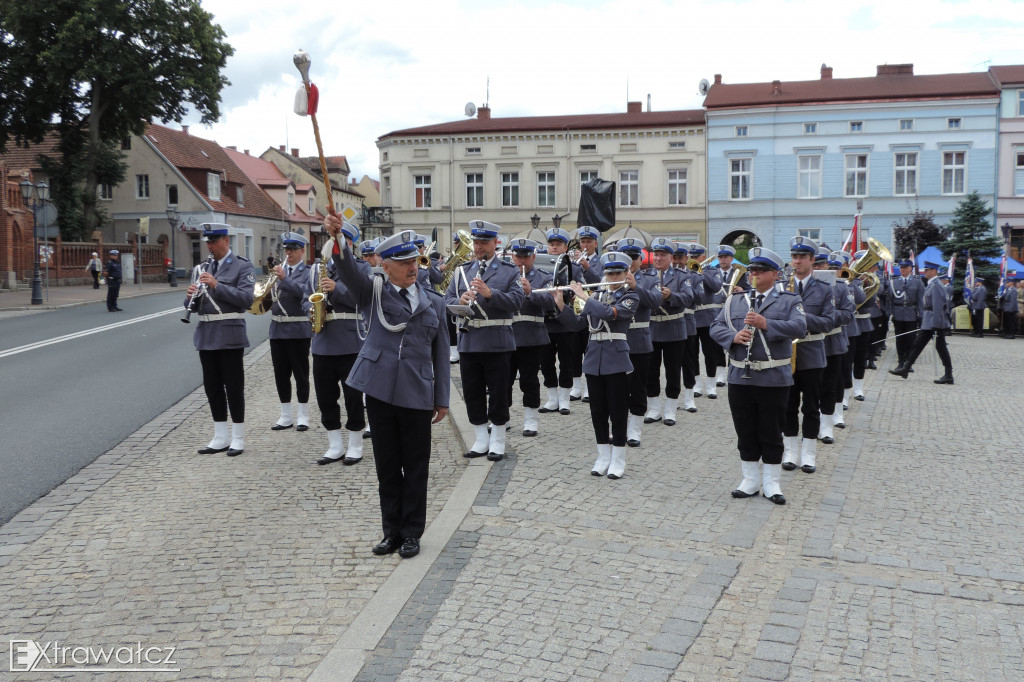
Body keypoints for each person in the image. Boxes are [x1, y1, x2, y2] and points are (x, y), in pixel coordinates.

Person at [324, 218, 450, 560]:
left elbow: (440, 354)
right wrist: (337, 236)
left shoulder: (434, 301)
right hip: (379, 390)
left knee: (416, 466)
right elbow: (347, 268)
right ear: (386, 266)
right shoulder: (371, 292)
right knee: (387, 467)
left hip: (417, 392)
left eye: (415, 260)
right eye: (405, 262)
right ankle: (390, 532)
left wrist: (442, 400)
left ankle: (412, 533)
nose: (413, 267)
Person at [710, 248, 806, 505]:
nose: (753, 274)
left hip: (773, 377)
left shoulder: (789, 300)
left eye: (760, 271)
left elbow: (800, 327)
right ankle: (750, 480)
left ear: (774, 274)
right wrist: (732, 337)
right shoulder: (736, 300)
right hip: (740, 376)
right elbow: (716, 326)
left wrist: (767, 324)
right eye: (751, 270)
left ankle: (772, 483)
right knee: (745, 430)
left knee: (771, 431)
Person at [552, 252, 638, 479]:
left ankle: (618, 459)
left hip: (617, 359)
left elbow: (610, 314)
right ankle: (603, 456)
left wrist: (583, 296)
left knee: (618, 412)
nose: (612, 277)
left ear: (626, 274)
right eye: (609, 273)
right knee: (597, 412)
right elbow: (578, 324)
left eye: (617, 273)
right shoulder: (597, 296)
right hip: (593, 360)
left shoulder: (630, 296)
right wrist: (561, 306)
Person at [444, 220, 525, 461]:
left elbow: (517, 302)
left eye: (483, 243)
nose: (478, 247)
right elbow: (446, 301)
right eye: (476, 242)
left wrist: (490, 294)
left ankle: (498, 440)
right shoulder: (462, 271)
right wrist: (460, 300)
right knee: (472, 392)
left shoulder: (509, 271)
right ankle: (480, 439)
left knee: (499, 392)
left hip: (497, 341)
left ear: (495, 243)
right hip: (469, 341)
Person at [187, 224, 256, 457]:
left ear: (226, 240)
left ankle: (237, 437)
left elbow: (246, 299)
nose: (210, 246)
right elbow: (194, 306)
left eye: (214, 241)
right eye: (208, 241)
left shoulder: (242, 265)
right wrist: (189, 298)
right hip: (206, 334)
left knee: (233, 387)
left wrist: (217, 285)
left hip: (229, 334)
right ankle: (220, 435)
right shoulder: (200, 268)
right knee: (213, 388)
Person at [312, 221, 371, 465]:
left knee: (353, 396)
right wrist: (313, 311)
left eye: (340, 239)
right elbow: (309, 298)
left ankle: (355, 444)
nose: (333, 243)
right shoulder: (318, 269)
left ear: (350, 244)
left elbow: (364, 298)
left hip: (350, 340)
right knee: (325, 396)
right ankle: (335, 444)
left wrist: (336, 289)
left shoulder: (362, 267)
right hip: (323, 341)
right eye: (331, 238)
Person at [780, 236, 835, 474]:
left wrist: (801, 319)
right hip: (785, 355)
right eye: (794, 256)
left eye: (802, 257)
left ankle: (809, 454)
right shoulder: (781, 287)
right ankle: (790, 451)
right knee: (788, 407)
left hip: (812, 353)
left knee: (811, 407)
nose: (797, 261)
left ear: (812, 260)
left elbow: (828, 322)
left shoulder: (823, 289)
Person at [507, 238, 560, 437]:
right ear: (512, 257)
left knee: (529, 380)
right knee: (504, 380)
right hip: (508, 335)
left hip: (532, 336)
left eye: (526, 257)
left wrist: (530, 292)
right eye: (518, 256)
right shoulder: (505, 275)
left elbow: (550, 302)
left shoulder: (543, 277)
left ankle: (530, 420)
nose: (521, 261)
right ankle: (503, 418)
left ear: (533, 257)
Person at [616, 237, 662, 448]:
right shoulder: (611, 277)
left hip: (639, 342)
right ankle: (619, 428)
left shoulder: (651, 278)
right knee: (617, 389)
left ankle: (634, 430)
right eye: (626, 257)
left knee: (638, 387)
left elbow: (655, 302)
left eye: (634, 257)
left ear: (639, 258)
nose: (631, 261)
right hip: (615, 342)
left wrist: (636, 287)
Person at [644, 237, 694, 425]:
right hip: (652, 329)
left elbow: (689, 298)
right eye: (656, 254)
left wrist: (671, 295)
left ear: (671, 257)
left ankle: (671, 409)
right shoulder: (646, 275)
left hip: (674, 329)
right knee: (651, 371)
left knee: (673, 371)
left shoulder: (682, 276)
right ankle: (654, 408)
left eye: (662, 255)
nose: (658, 258)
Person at [267, 233, 313, 433]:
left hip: (298, 330)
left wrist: (285, 280)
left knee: (300, 374)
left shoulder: (308, 272)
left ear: (302, 251)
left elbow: (305, 293)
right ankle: (285, 415)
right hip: (277, 329)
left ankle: (303, 415)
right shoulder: (278, 271)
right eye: (287, 250)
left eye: (293, 250)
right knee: (280, 375)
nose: (289, 253)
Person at [539, 226, 586, 412]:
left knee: (567, 360)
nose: (554, 247)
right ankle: (552, 398)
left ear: (566, 247)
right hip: (546, 321)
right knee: (546, 361)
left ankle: (565, 398)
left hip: (565, 321)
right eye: (551, 244)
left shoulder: (574, 266)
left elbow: (579, 290)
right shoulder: (541, 264)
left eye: (558, 244)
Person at [889, 261, 954, 384]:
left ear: (934, 271)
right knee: (917, 345)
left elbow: (938, 307)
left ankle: (949, 374)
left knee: (941, 348)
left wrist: (936, 325)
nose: (926, 272)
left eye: (928, 270)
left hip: (934, 323)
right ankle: (906, 368)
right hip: (929, 322)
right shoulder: (931, 285)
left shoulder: (936, 285)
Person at [817, 251, 855, 444]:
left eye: (823, 266)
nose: (821, 269)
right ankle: (814, 422)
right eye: (816, 265)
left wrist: (825, 316)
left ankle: (828, 423)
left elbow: (849, 313)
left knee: (832, 384)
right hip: (811, 342)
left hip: (833, 340)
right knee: (812, 387)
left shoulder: (840, 286)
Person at [709, 244, 748, 389]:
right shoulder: (713, 272)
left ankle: (733, 367)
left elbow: (749, 289)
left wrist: (742, 289)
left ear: (731, 258)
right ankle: (720, 371)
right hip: (716, 310)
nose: (723, 260)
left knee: (734, 339)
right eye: (720, 257)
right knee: (718, 342)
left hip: (733, 310)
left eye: (725, 257)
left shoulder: (740, 272)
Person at [889, 258, 925, 364]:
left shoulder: (917, 282)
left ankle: (908, 361)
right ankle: (901, 360)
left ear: (910, 269)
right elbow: (890, 299)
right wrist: (890, 313)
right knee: (900, 338)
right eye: (901, 267)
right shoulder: (894, 282)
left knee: (911, 339)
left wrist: (921, 315)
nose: (902, 270)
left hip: (911, 313)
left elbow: (920, 300)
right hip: (898, 313)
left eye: (905, 268)